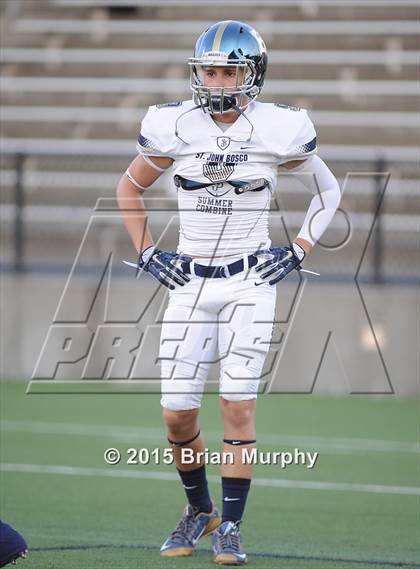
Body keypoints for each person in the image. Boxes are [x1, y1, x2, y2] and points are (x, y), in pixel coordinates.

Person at [117, 20, 341, 566]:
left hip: (249, 282)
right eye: (210, 71)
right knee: (175, 414)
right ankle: (199, 509)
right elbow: (129, 187)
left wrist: (299, 249)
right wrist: (148, 252)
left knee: (237, 407)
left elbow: (327, 190)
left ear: (252, 73)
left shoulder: (278, 129)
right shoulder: (174, 125)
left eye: (229, 70)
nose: (218, 82)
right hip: (190, 282)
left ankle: (231, 528)